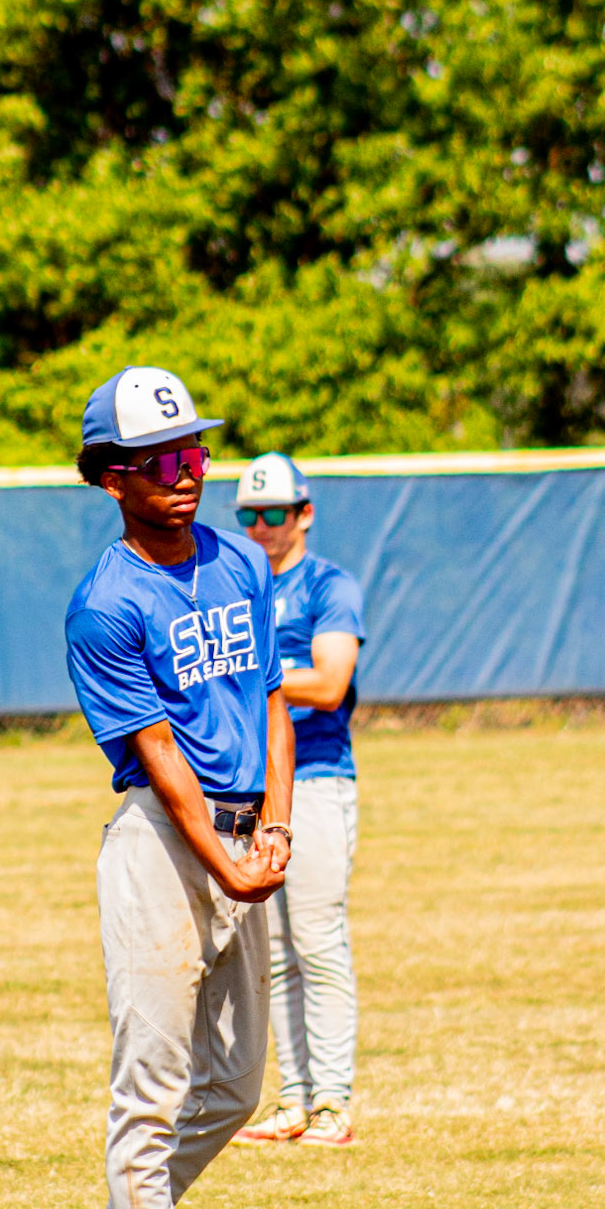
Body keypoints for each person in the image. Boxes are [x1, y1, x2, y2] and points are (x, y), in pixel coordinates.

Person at [41, 366, 295, 1209]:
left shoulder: (238, 561)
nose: (183, 472)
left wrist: (276, 825)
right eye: (156, 461)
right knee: (149, 1089)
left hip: (243, 826)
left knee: (234, 1087)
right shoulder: (104, 605)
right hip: (162, 842)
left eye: (191, 450)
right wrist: (221, 861)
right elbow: (158, 754)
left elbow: (271, 700)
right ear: (110, 477)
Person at [231, 454, 366, 1148]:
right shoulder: (233, 586)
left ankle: (333, 1101)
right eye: (248, 515)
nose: (261, 526)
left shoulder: (327, 585)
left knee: (317, 939)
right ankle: (293, 1099)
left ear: (304, 513)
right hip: (253, 786)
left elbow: (330, 681)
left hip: (314, 774)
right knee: (274, 950)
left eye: (274, 513)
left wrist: (251, 675)